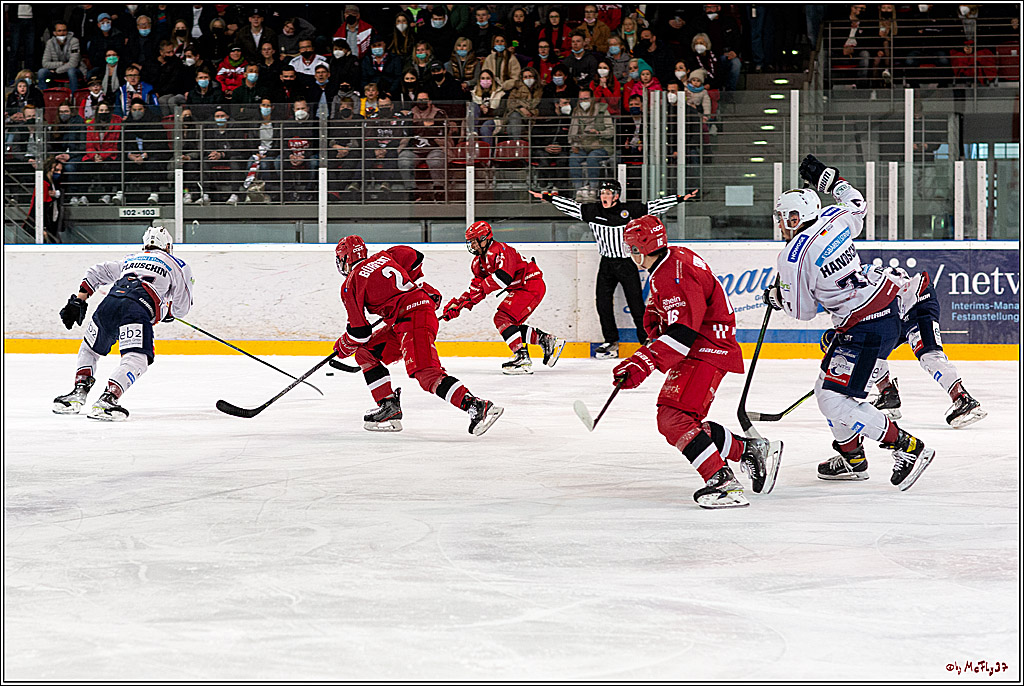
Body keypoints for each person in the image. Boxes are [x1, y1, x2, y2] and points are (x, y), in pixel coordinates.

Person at [763, 154, 935, 490]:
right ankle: (852, 457)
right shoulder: (834, 218)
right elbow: (856, 202)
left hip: (862, 328)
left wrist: (777, 298)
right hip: (884, 312)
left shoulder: (792, 256)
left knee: (832, 399)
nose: (782, 224)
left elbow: (803, 311)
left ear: (797, 218)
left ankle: (907, 447)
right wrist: (830, 179)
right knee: (824, 390)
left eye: (785, 218)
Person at [613, 214, 781, 508]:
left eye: (632, 248)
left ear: (642, 247)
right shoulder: (672, 261)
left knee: (674, 419)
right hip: (701, 348)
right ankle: (748, 450)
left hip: (706, 348)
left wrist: (644, 361)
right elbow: (676, 320)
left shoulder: (672, 273)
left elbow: (683, 333)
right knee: (681, 420)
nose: (631, 254)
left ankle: (724, 483)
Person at [333, 235, 504, 436]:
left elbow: (359, 332)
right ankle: (389, 407)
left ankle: (476, 406)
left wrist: (343, 345)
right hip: (409, 318)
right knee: (365, 353)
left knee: (426, 374)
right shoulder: (386, 256)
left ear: (345, 259)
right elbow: (415, 257)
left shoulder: (350, 283)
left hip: (413, 319)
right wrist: (421, 286)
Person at [529, 180, 698, 358]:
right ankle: (611, 342)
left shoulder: (629, 211)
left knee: (636, 305)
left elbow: (654, 207)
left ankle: (646, 340)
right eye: (602, 193)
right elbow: (570, 206)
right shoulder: (593, 211)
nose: (604, 197)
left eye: (608, 193)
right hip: (607, 263)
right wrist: (549, 197)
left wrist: (680, 198)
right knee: (602, 303)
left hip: (626, 263)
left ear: (616, 196)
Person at [53, 226, 193, 420]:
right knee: (137, 358)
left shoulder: (130, 259)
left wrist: (79, 299)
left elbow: (96, 272)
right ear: (168, 246)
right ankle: (108, 399)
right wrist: (166, 311)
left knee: (89, 349)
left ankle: (77, 395)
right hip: (136, 308)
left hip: (109, 303)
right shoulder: (178, 264)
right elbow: (181, 308)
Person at [864, 267, 987, 429]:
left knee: (929, 356)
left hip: (917, 304)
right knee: (871, 350)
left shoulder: (861, 277)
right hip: (897, 313)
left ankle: (962, 399)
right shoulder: (855, 276)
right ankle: (888, 395)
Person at [442, 221, 566, 374]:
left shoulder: (501, 250)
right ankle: (546, 341)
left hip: (530, 284)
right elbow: (475, 291)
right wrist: (459, 305)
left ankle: (522, 358)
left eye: (474, 241)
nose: (472, 245)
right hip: (521, 288)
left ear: (484, 238)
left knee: (502, 318)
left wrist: (480, 289)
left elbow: (503, 278)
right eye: (470, 242)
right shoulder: (478, 263)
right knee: (509, 325)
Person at [39, 21, 84, 92]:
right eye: (59, 31)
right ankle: (44, 98)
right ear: (54, 33)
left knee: (71, 71)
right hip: (57, 71)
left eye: (64, 30)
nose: (62, 33)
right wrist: (62, 64)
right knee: (42, 72)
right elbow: (45, 63)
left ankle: (73, 98)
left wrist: (57, 70)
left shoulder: (74, 41)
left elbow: (73, 63)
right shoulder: (50, 43)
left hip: (73, 71)